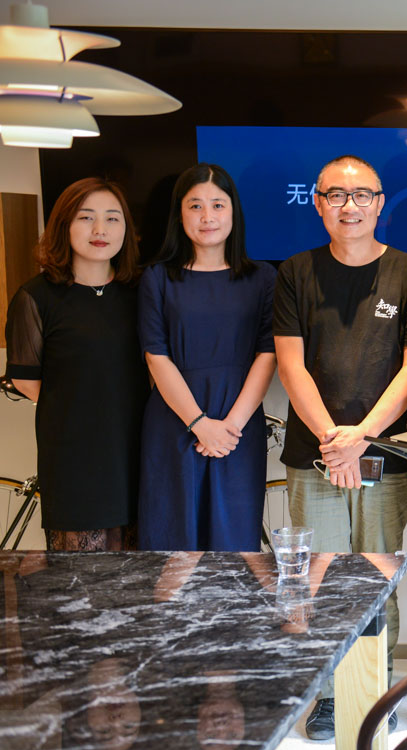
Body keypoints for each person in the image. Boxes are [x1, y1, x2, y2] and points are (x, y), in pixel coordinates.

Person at [273, 154, 407, 740]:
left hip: (384, 451)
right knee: (320, 571)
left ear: (380, 203)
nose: (349, 206)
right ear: (318, 203)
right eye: (335, 195)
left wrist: (361, 437)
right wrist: (333, 443)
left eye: (362, 195)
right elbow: (290, 366)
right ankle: (331, 695)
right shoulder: (296, 272)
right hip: (314, 452)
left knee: (375, 570)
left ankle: (374, 688)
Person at [138, 164, 277, 551]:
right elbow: (156, 357)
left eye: (218, 205)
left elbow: (268, 354)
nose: (207, 216)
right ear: (179, 214)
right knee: (172, 545)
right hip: (174, 423)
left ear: (233, 212)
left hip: (239, 428)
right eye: (195, 206)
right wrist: (199, 424)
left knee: (235, 545)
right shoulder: (157, 278)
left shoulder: (263, 278)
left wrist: (229, 429)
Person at [5, 177, 149, 551]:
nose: (100, 230)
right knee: (81, 575)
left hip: (138, 448)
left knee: (139, 569)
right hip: (73, 455)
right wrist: (82, 407)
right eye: (86, 218)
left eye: (112, 218)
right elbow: (26, 379)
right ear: (64, 226)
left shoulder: (143, 293)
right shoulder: (35, 297)